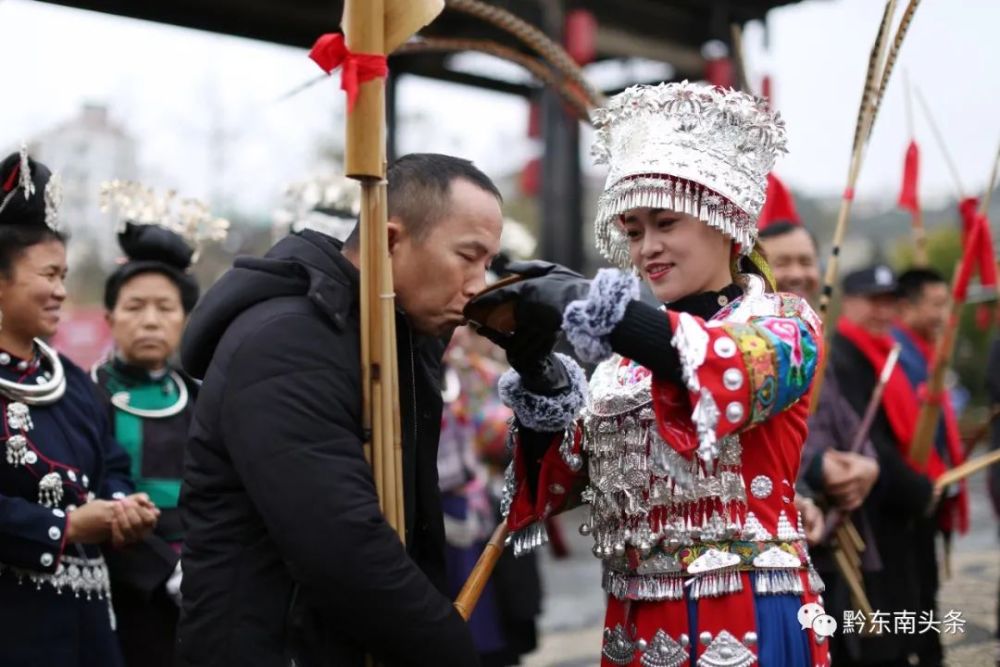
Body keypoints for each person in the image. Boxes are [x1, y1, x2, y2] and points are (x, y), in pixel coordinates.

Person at [470, 82, 828, 666]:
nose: (647, 249)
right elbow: (561, 482)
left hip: (746, 614)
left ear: (724, 221)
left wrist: (593, 303)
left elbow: (726, 368)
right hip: (634, 622)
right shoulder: (621, 368)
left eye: (665, 223)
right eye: (634, 231)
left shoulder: (785, 326)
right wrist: (538, 373)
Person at [176, 153, 504, 667]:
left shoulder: (397, 338)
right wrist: (447, 647)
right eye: (468, 256)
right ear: (391, 240)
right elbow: (341, 547)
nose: (479, 285)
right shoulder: (287, 342)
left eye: (488, 263)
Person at [0, 148, 158, 666]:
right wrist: (63, 528)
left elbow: (109, 463)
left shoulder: (66, 378)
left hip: (89, 634)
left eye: (65, 275)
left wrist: (121, 506)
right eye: (48, 275)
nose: (62, 292)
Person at [92, 195, 207, 667]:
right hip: (115, 581)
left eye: (166, 307)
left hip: (199, 583)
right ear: (110, 318)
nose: (151, 320)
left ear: (185, 319)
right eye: (135, 306)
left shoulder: (204, 398)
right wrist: (160, 568)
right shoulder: (86, 396)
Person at [759, 221, 881, 664]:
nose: (797, 273)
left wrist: (865, 467)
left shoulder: (812, 345)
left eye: (806, 261)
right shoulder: (742, 347)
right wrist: (815, 469)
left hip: (832, 549)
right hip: (772, 565)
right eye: (782, 261)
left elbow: (852, 430)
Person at [831, 265, 944, 666]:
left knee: (917, 612)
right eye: (872, 302)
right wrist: (917, 489)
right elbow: (869, 443)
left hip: (901, 510)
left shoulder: (888, 352)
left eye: (889, 303)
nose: (882, 312)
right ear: (848, 302)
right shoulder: (843, 357)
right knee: (881, 634)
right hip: (870, 518)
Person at [891, 267, 969, 667]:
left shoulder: (922, 349)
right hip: (908, 495)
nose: (944, 316)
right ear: (906, 306)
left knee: (925, 593)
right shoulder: (896, 353)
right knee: (913, 596)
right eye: (936, 305)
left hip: (929, 489)